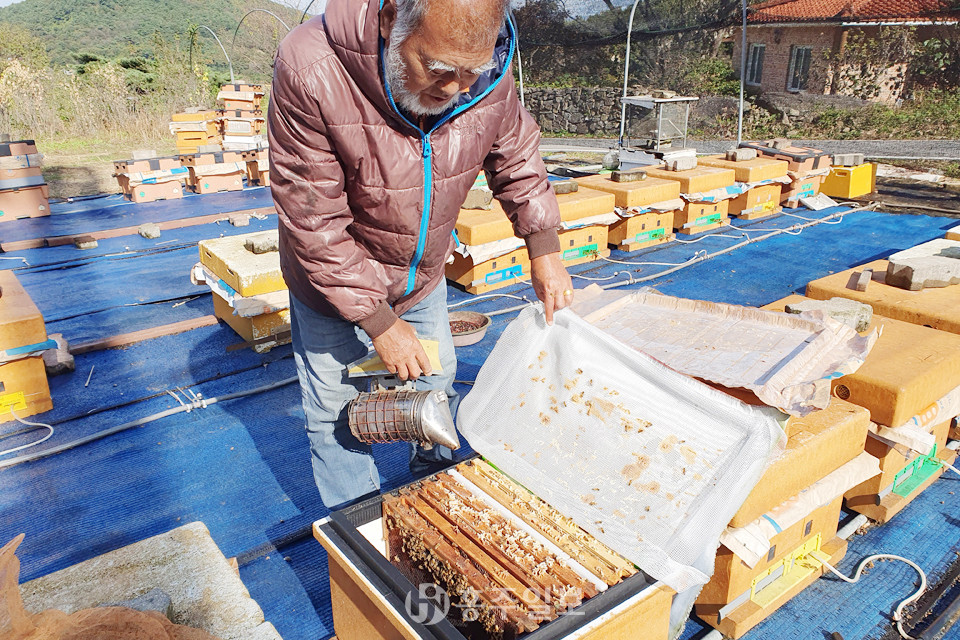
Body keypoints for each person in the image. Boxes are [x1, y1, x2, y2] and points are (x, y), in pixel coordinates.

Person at [268, 0, 574, 509]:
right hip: (332, 285)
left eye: (469, 73)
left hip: (421, 278)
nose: (456, 88)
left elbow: (516, 152)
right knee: (339, 414)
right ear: (391, 20)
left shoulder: (488, 68)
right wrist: (380, 323)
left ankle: (435, 490)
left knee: (435, 382)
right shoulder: (311, 67)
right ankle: (360, 529)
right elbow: (313, 219)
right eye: (436, 70)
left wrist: (544, 248)